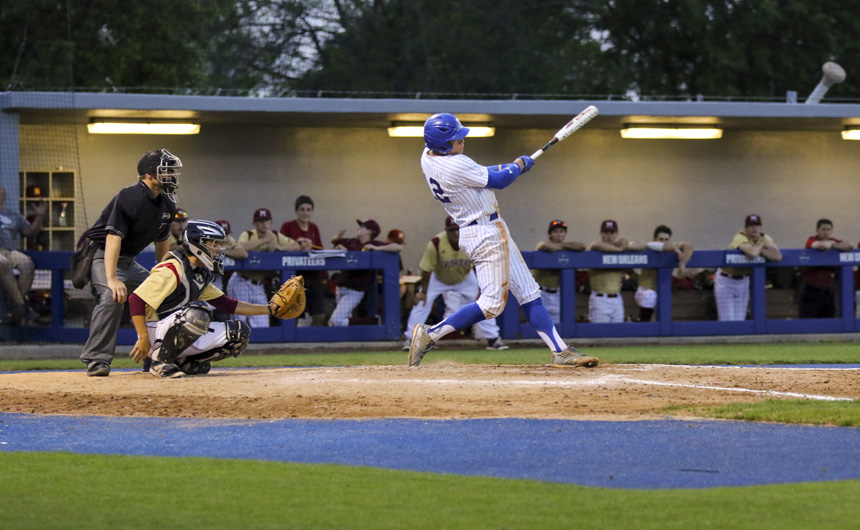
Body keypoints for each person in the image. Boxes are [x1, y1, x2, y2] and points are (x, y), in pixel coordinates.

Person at [408, 113, 597, 368]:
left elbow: (483, 173)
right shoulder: (455, 164)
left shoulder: (429, 156)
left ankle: (560, 351)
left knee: (530, 293)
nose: (462, 141)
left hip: (490, 227)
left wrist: (515, 164)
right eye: (456, 139)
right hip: (484, 233)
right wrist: (519, 166)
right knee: (491, 305)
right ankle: (430, 334)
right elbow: (499, 180)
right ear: (442, 145)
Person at [128, 220, 281, 378]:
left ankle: (185, 363)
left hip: (175, 329)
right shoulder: (172, 267)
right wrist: (143, 337)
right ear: (197, 244)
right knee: (199, 312)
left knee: (239, 333)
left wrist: (270, 309)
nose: (218, 249)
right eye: (213, 244)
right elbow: (136, 299)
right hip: (153, 333)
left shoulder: (199, 273)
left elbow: (227, 304)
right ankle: (159, 362)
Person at [80, 149, 180, 376]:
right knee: (112, 297)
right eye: (165, 171)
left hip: (128, 260)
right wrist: (113, 279)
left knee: (165, 295)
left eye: (172, 171)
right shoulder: (129, 197)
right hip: (102, 254)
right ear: (148, 175)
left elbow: (162, 247)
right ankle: (97, 360)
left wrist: (163, 279)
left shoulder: (167, 205)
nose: (171, 176)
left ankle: (157, 357)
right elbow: (113, 238)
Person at [403, 216, 509, 352]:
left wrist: (482, 288)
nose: (456, 233)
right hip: (439, 278)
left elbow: (481, 265)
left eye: (458, 230)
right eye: (452, 230)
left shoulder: (472, 241)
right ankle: (411, 339)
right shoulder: (436, 243)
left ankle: (493, 339)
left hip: (465, 278)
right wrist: (423, 291)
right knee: (422, 302)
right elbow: (427, 269)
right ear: (446, 231)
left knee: (485, 304)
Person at [227, 207, 299, 328]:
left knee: (262, 324)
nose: (264, 224)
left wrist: (279, 248)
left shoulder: (275, 235)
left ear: (270, 222)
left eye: (266, 220)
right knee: (239, 322)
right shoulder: (249, 234)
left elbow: (296, 245)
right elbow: (240, 246)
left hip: (259, 285)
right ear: (254, 223)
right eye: (260, 221)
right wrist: (264, 240)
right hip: (242, 281)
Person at [329, 219, 402, 326]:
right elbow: (334, 242)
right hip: (341, 286)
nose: (358, 228)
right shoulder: (351, 241)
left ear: (370, 232)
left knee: (336, 320)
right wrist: (338, 241)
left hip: (355, 289)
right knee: (341, 321)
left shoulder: (373, 244)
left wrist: (377, 248)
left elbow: (397, 247)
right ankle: (349, 340)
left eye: (362, 227)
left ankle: (372, 322)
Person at [714, 214, 782, 321]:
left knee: (740, 320)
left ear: (760, 227)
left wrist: (761, 248)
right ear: (746, 228)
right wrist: (761, 245)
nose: (754, 229)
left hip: (743, 281)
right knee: (727, 321)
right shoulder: (740, 236)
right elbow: (752, 253)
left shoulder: (764, 237)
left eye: (757, 225)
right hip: (726, 280)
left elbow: (777, 256)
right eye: (751, 226)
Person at [0, 184, 46, 323]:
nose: (1, 194)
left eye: (2, 191)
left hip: (11, 250)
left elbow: (30, 232)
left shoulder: (13, 216)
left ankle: (16, 309)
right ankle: (22, 306)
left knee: (27, 264)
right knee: (3, 263)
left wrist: (39, 217)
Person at [280, 195, 328, 326]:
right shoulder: (287, 226)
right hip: (294, 279)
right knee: (292, 316)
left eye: (308, 209)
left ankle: (313, 342)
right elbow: (282, 248)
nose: (305, 213)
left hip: (313, 278)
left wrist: (311, 248)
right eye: (302, 209)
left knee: (320, 316)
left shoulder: (314, 228)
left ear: (312, 212)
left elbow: (320, 249)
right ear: (296, 211)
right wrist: (299, 248)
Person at [587, 220, 644, 323]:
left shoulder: (620, 247)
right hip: (600, 298)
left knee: (617, 334)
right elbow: (596, 245)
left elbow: (642, 245)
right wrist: (620, 248)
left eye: (612, 232)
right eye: (606, 232)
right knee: (600, 334)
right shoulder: (596, 248)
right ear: (601, 234)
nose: (609, 235)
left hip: (617, 298)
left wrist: (625, 244)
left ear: (616, 234)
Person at [634, 225, 694, 322]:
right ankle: (644, 322)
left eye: (666, 239)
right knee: (650, 295)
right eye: (661, 239)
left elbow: (689, 246)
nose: (664, 242)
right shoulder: (649, 248)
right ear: (654, 239)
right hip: (644, 291)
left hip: (662, 292)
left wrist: (683, 262)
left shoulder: (672, 249)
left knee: (661, 306)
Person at [532, 219, 585, 323]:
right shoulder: (542, 244)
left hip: (559, 294)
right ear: (549, 234)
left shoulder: (566, 247)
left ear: (565, 234)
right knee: (540, 326)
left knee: (557, 326)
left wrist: (563, 246)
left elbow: (582, 246)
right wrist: (565, 247)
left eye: (561, 232)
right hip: (542, 293)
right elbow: (547, 247)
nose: (559, 235)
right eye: (555, 232)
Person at [799, 218, 852, 318]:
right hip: (810, 288)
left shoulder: (833, 241)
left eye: (828, 229)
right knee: (808, 319)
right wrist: (833, 244)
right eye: (823, 229)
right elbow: (821, 246)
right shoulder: (811, 239)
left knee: (829, 317)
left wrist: (832, 244)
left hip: (828, 289)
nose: (826, 232)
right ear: (817, 231)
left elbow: (848, 246)